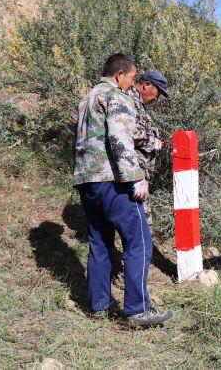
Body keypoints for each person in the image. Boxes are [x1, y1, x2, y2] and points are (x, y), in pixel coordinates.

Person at [73, 53, 172, 326]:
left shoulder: (87, 99)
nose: (132, 83)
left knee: (100, 243)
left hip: (87, 181)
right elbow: (120, 137)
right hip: (112, 181)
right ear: (119, 75)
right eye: (131, 77)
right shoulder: (116, 96)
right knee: (139, 239)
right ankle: (138, 309)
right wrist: (135, 177)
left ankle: (98, 306)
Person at [127, 70, 170, 226]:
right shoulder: (128, 100)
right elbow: (130, 133)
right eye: (157, 93)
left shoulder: (139, 104)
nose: (157, 99)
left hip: (139, 176)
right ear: (146, 85)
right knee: (141, 226)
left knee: (140, 225)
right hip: (132, 174)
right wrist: (155, 143)